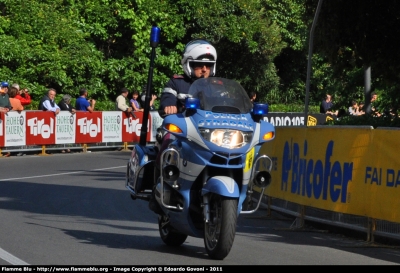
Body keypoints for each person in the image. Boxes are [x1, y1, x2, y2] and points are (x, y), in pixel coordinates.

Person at [149, 39, 218, 214]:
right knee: (166, 144)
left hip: (207, 134)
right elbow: (166, 98)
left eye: (208, 66)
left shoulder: (216, 87)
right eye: (199, 65)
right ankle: (159, 188)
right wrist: (169, 106)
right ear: (188, 64)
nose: (204, 69)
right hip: (182, 132)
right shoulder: (176, 83)